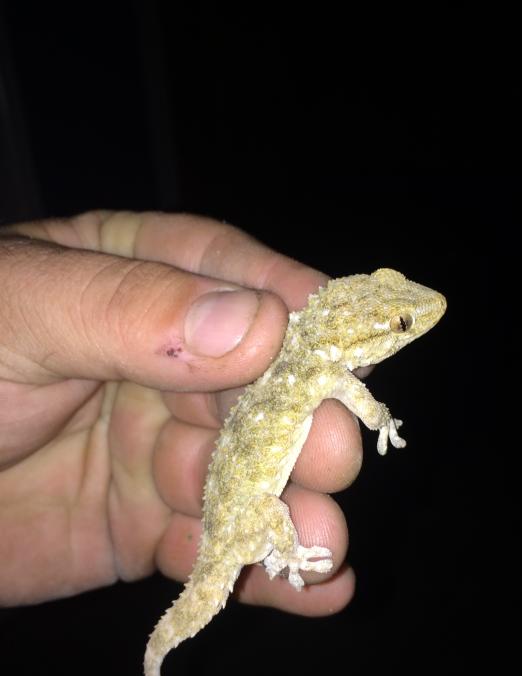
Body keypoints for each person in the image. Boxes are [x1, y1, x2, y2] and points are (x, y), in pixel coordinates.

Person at [0, 210, 357, 613]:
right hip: (239, 500)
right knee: (279, 501)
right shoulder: (301, 352)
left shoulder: (311, 361)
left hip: (232, 496)